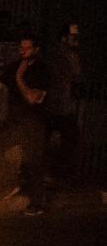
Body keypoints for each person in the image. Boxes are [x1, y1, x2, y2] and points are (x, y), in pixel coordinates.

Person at [0, 34, 50, 216]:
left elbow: (32, 98)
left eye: (27, 48)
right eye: (21, 48)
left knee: (33, 164)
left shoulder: (41, 71)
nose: (23, 52)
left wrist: (19, 77)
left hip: (32, 125)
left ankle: (38, 204)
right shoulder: (14, 67)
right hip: (15, 123)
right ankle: (13, 182)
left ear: (36, 49)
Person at [43, 24, 82, 186]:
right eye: (73, 37)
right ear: (64, 38)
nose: (76, 40)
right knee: (66, 140)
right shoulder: (64, 54)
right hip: (58, 105)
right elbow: (76, 74)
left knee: (55, 140)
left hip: (56, 104)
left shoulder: (58, 53)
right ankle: (53, 174)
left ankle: (49, 174)